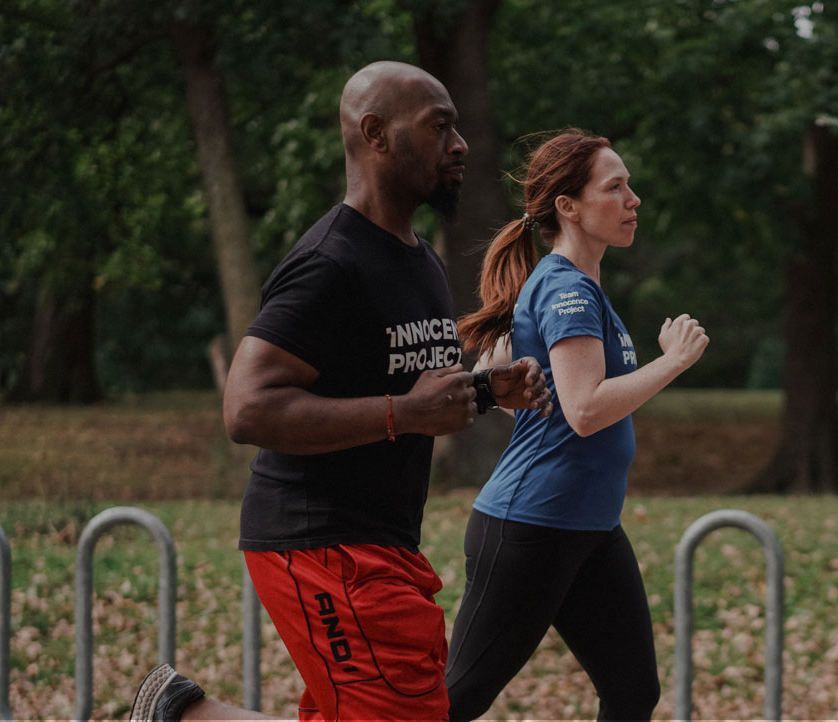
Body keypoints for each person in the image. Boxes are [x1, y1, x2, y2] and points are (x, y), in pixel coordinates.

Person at [129, 60, 552, 722]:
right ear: (376, 134)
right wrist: (405, 412)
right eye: (439, 127)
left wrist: (484, 391)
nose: (460, 144)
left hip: (384, 545)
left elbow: (396, 387)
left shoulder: (420, 260)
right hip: (322, 544)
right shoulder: (329, 263)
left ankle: (184, 715)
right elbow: (247, 407)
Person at [446, 130, 708, 721]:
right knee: (454, 702)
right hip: (531, 527)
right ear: (568, 206)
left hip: (589, 528)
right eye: (614, 187)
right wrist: (673, 362)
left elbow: (503, 374)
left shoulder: (572, 286)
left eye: (629, 186)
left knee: (632, 692)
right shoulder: (567, 288)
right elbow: (585, 411)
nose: (632, 199)